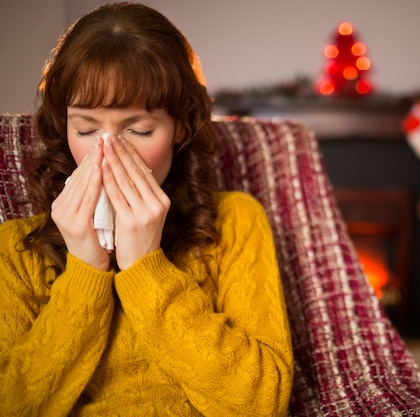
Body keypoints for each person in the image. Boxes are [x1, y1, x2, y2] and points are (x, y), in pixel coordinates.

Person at [0, 2, 293, 415]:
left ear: (181, 127)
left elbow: (261, 404)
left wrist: (145, 267)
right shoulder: (15, 250)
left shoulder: (236, 222)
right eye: (86, 128)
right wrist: (86, 271)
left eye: (139, 129)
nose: (108, 153)